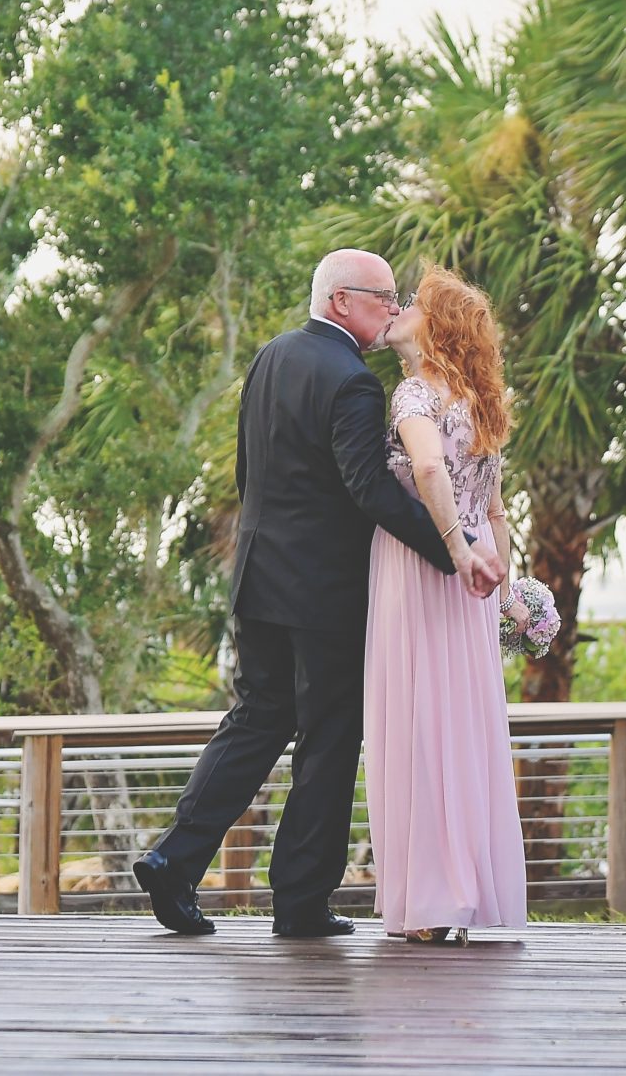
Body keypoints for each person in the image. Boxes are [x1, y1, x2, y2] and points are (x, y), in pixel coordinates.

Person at [133, 249, 504, 938]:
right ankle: (301, 899)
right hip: (325, 590)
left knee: (257, 719)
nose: (392, 309)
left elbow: (248, 471)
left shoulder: (271, 356)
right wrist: (452, 551)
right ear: (340, 301)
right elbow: (368, 489)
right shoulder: (354, 381)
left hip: (258, 575)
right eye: (382, 297)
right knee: (329, 738)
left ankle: (172, 859)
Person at [364, 264, 528, 944]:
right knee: (462, 727)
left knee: (418, 725)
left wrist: (457, 551)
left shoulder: (414, 394)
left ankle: (433, 901)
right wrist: (507, 591)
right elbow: (497, 510)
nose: (399, 308)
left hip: (426, 570)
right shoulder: (480, 402)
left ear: (436, 326)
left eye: (414, 303)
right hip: (475, 587)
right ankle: (463, 890)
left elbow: (429, 468)